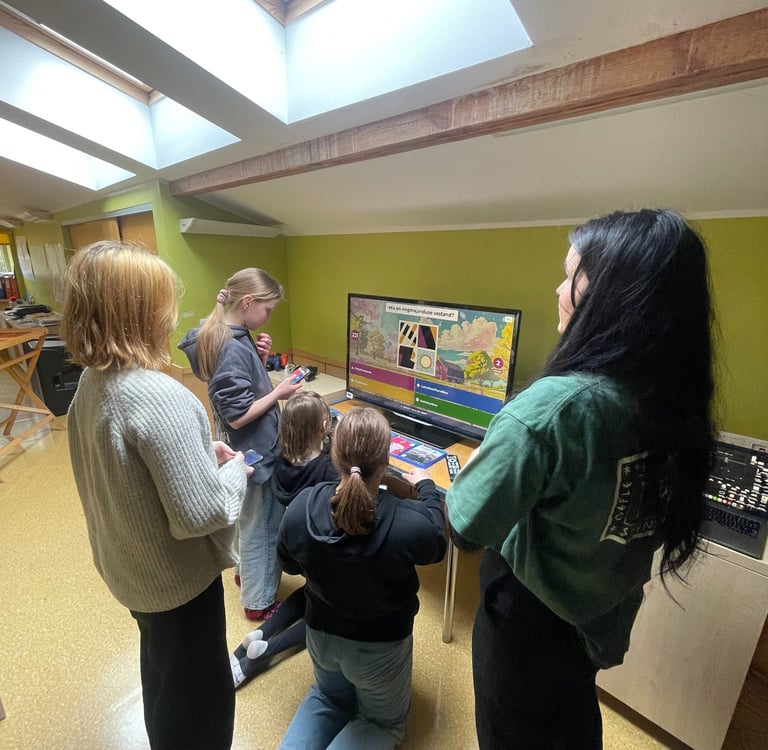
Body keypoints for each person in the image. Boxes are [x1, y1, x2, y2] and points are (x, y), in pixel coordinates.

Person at [445, 208, 716, 750]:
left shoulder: (552, 410)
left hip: (527, 624)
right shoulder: (673, 398)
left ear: (614, 296)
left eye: (571, 276)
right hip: (598, 616)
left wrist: (476, 468)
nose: (557, 289)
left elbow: (463, 528)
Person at [61, 241, 251, 750]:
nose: (171, 315)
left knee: (164, 678)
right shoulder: (160, 395)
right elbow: (203, 514)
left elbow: (125, 467)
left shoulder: (91, 382)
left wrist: (197, 453)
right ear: (142, 312)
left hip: (129, 571)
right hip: (177, 588)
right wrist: (237, 473)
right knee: (201, 704)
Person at [277, 406, 447, 750]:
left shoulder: (302, 507)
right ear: (386, 461)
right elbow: (437, 540)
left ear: (334, 454)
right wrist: (427, 487)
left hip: (321, 634)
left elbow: (289, 565)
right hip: (379, 648)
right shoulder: (407, 523)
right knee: (382, 723)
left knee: (326, 698)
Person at [179, 268, 301, 621]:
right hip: (255, 452)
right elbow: (237, 414)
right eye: (268, 309)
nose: (269, 317)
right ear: (248, 302)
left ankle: (245, 573)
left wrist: (259, 360)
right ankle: (259, 602)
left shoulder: (230, 335)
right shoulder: (231, 346)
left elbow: (239, 386)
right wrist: (279, 392)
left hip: (241, 449)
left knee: (248, 521)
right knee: (263, 528)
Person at [230, 390, 339, 689]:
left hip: (295, 551)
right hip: (322, 553)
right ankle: (269, 649)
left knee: (310, 591)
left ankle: (261, 634)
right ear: (324, 427)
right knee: (329, 615)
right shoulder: (327, 469)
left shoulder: (281, 463)